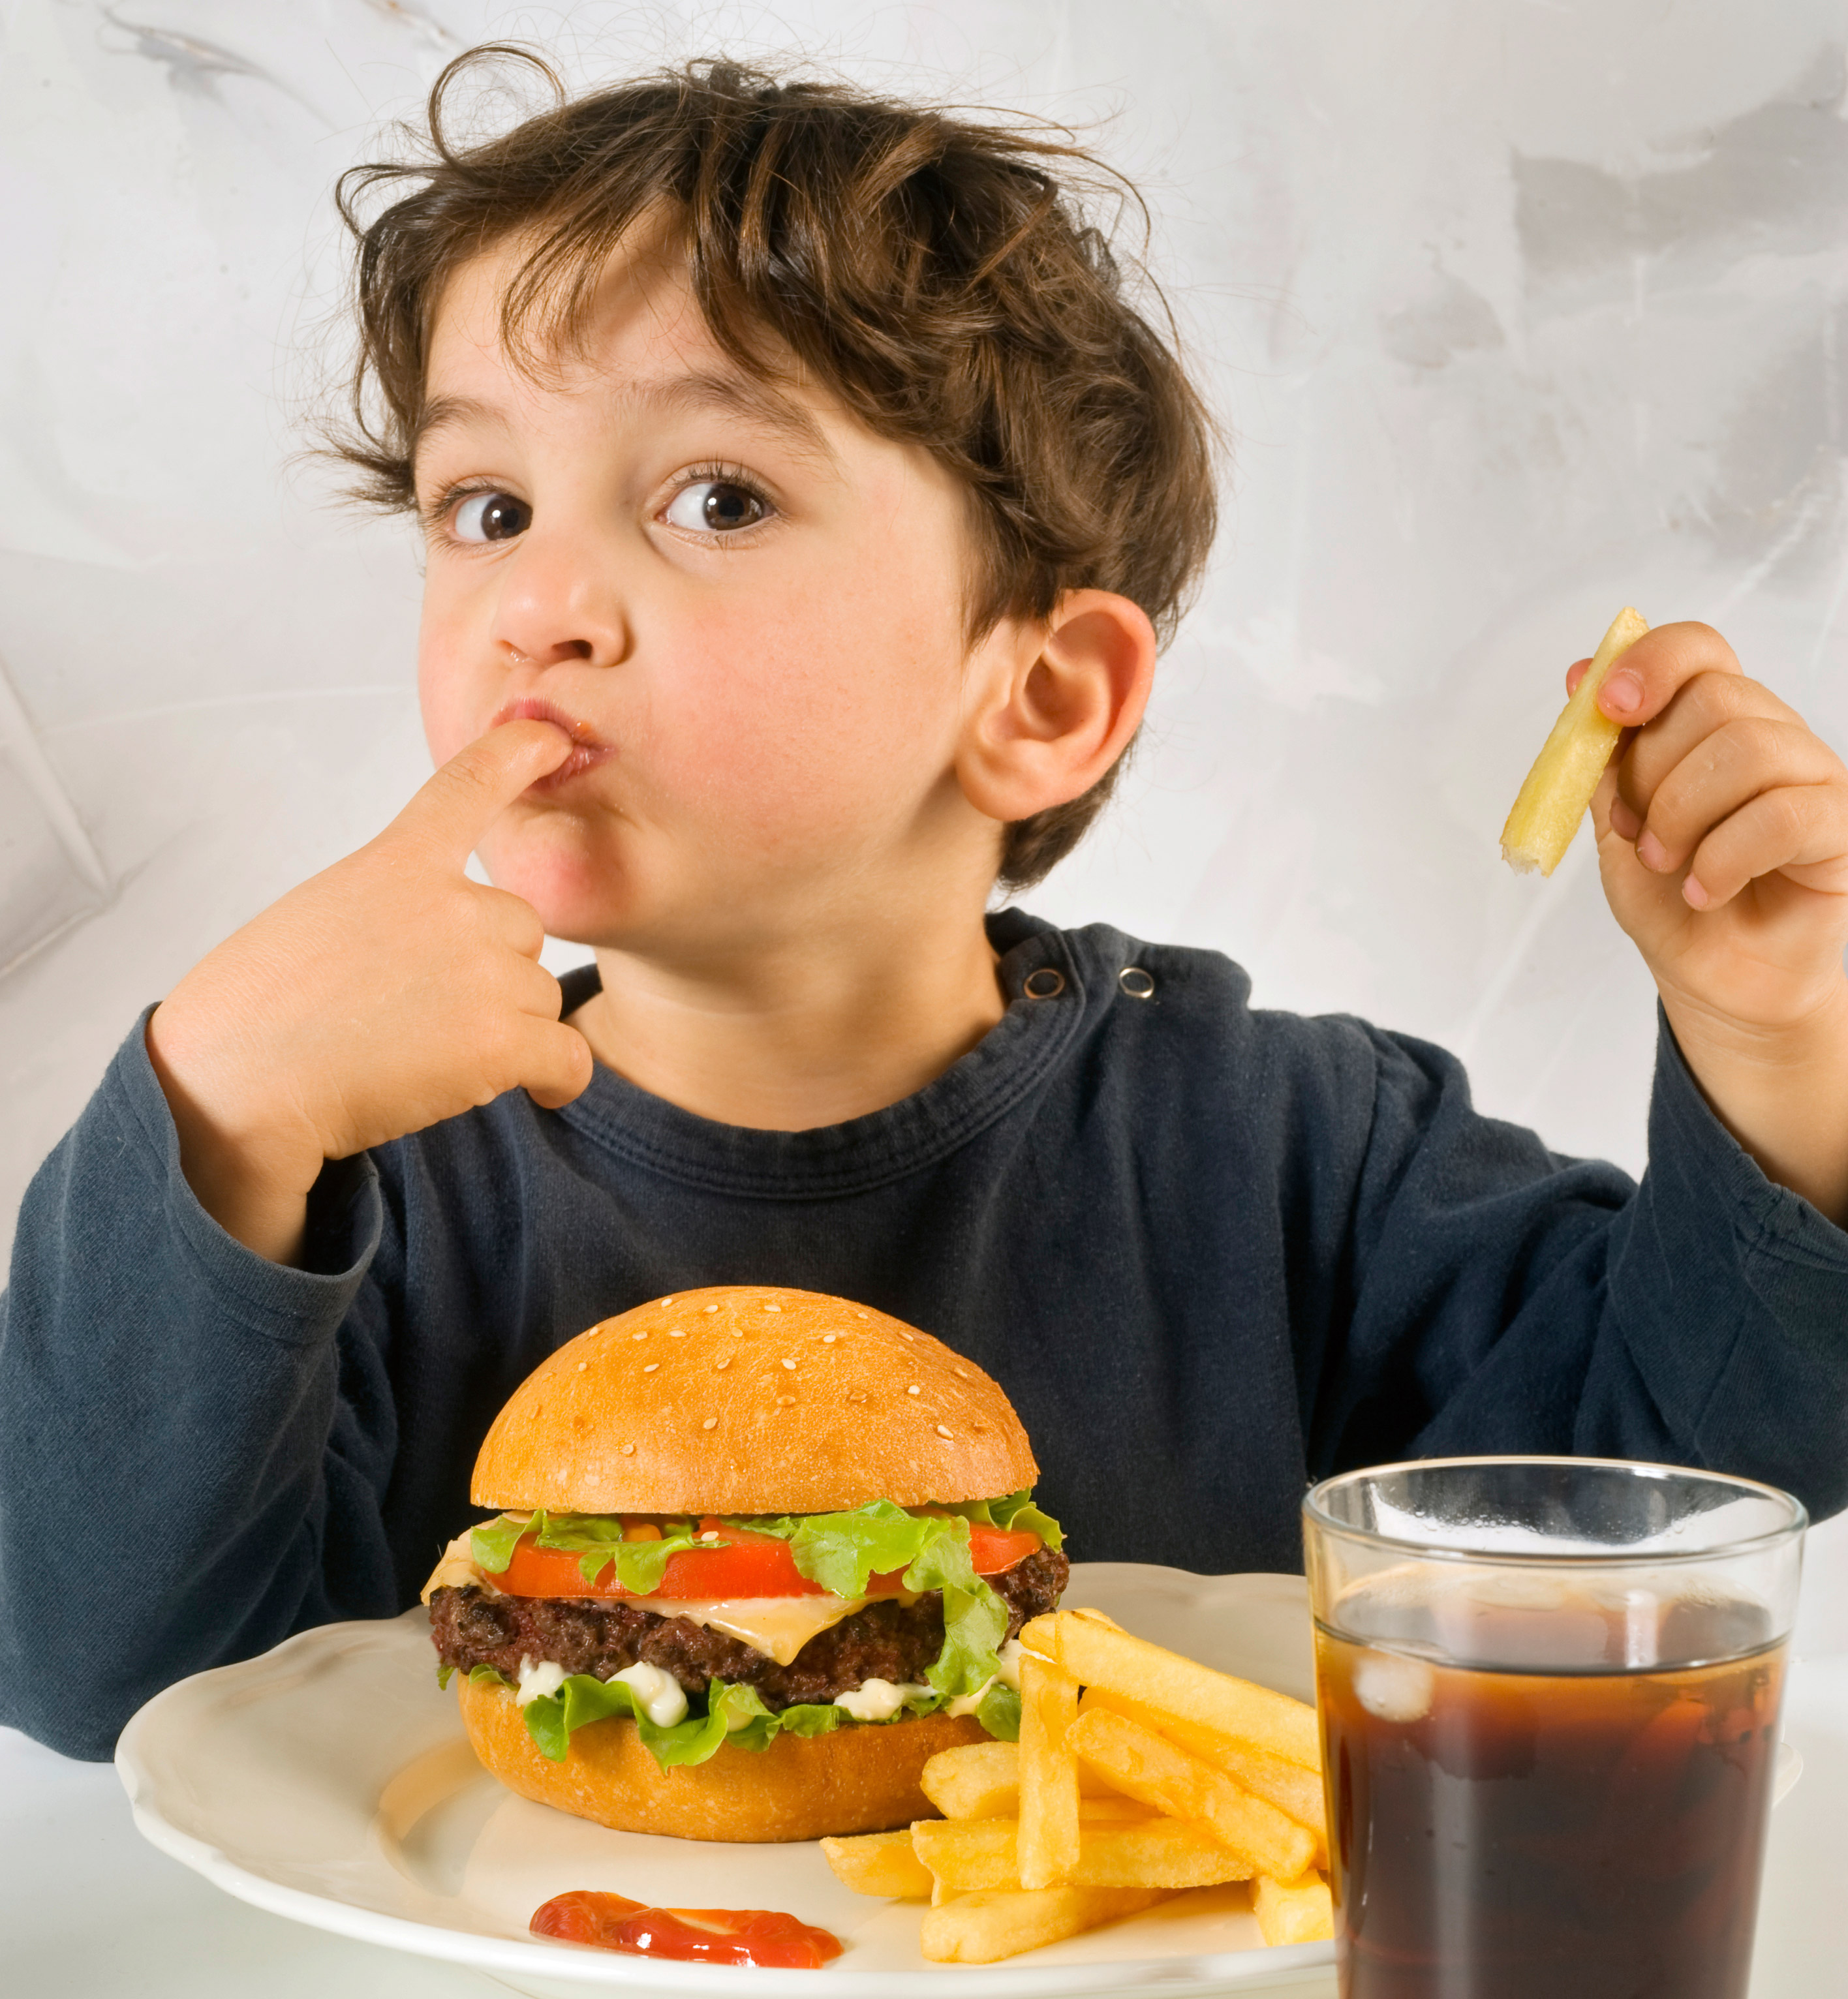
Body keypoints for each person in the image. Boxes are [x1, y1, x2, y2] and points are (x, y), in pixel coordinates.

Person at [3, 53, 1845, 1762]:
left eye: (714, 495)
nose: (536, 604)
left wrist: (1782, 1046)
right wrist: (222, 1105)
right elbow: (104, 1685)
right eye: (484, 506)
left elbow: (1672, 1512)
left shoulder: (1298, 1155)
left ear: (1038, 696)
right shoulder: (375, 1195)